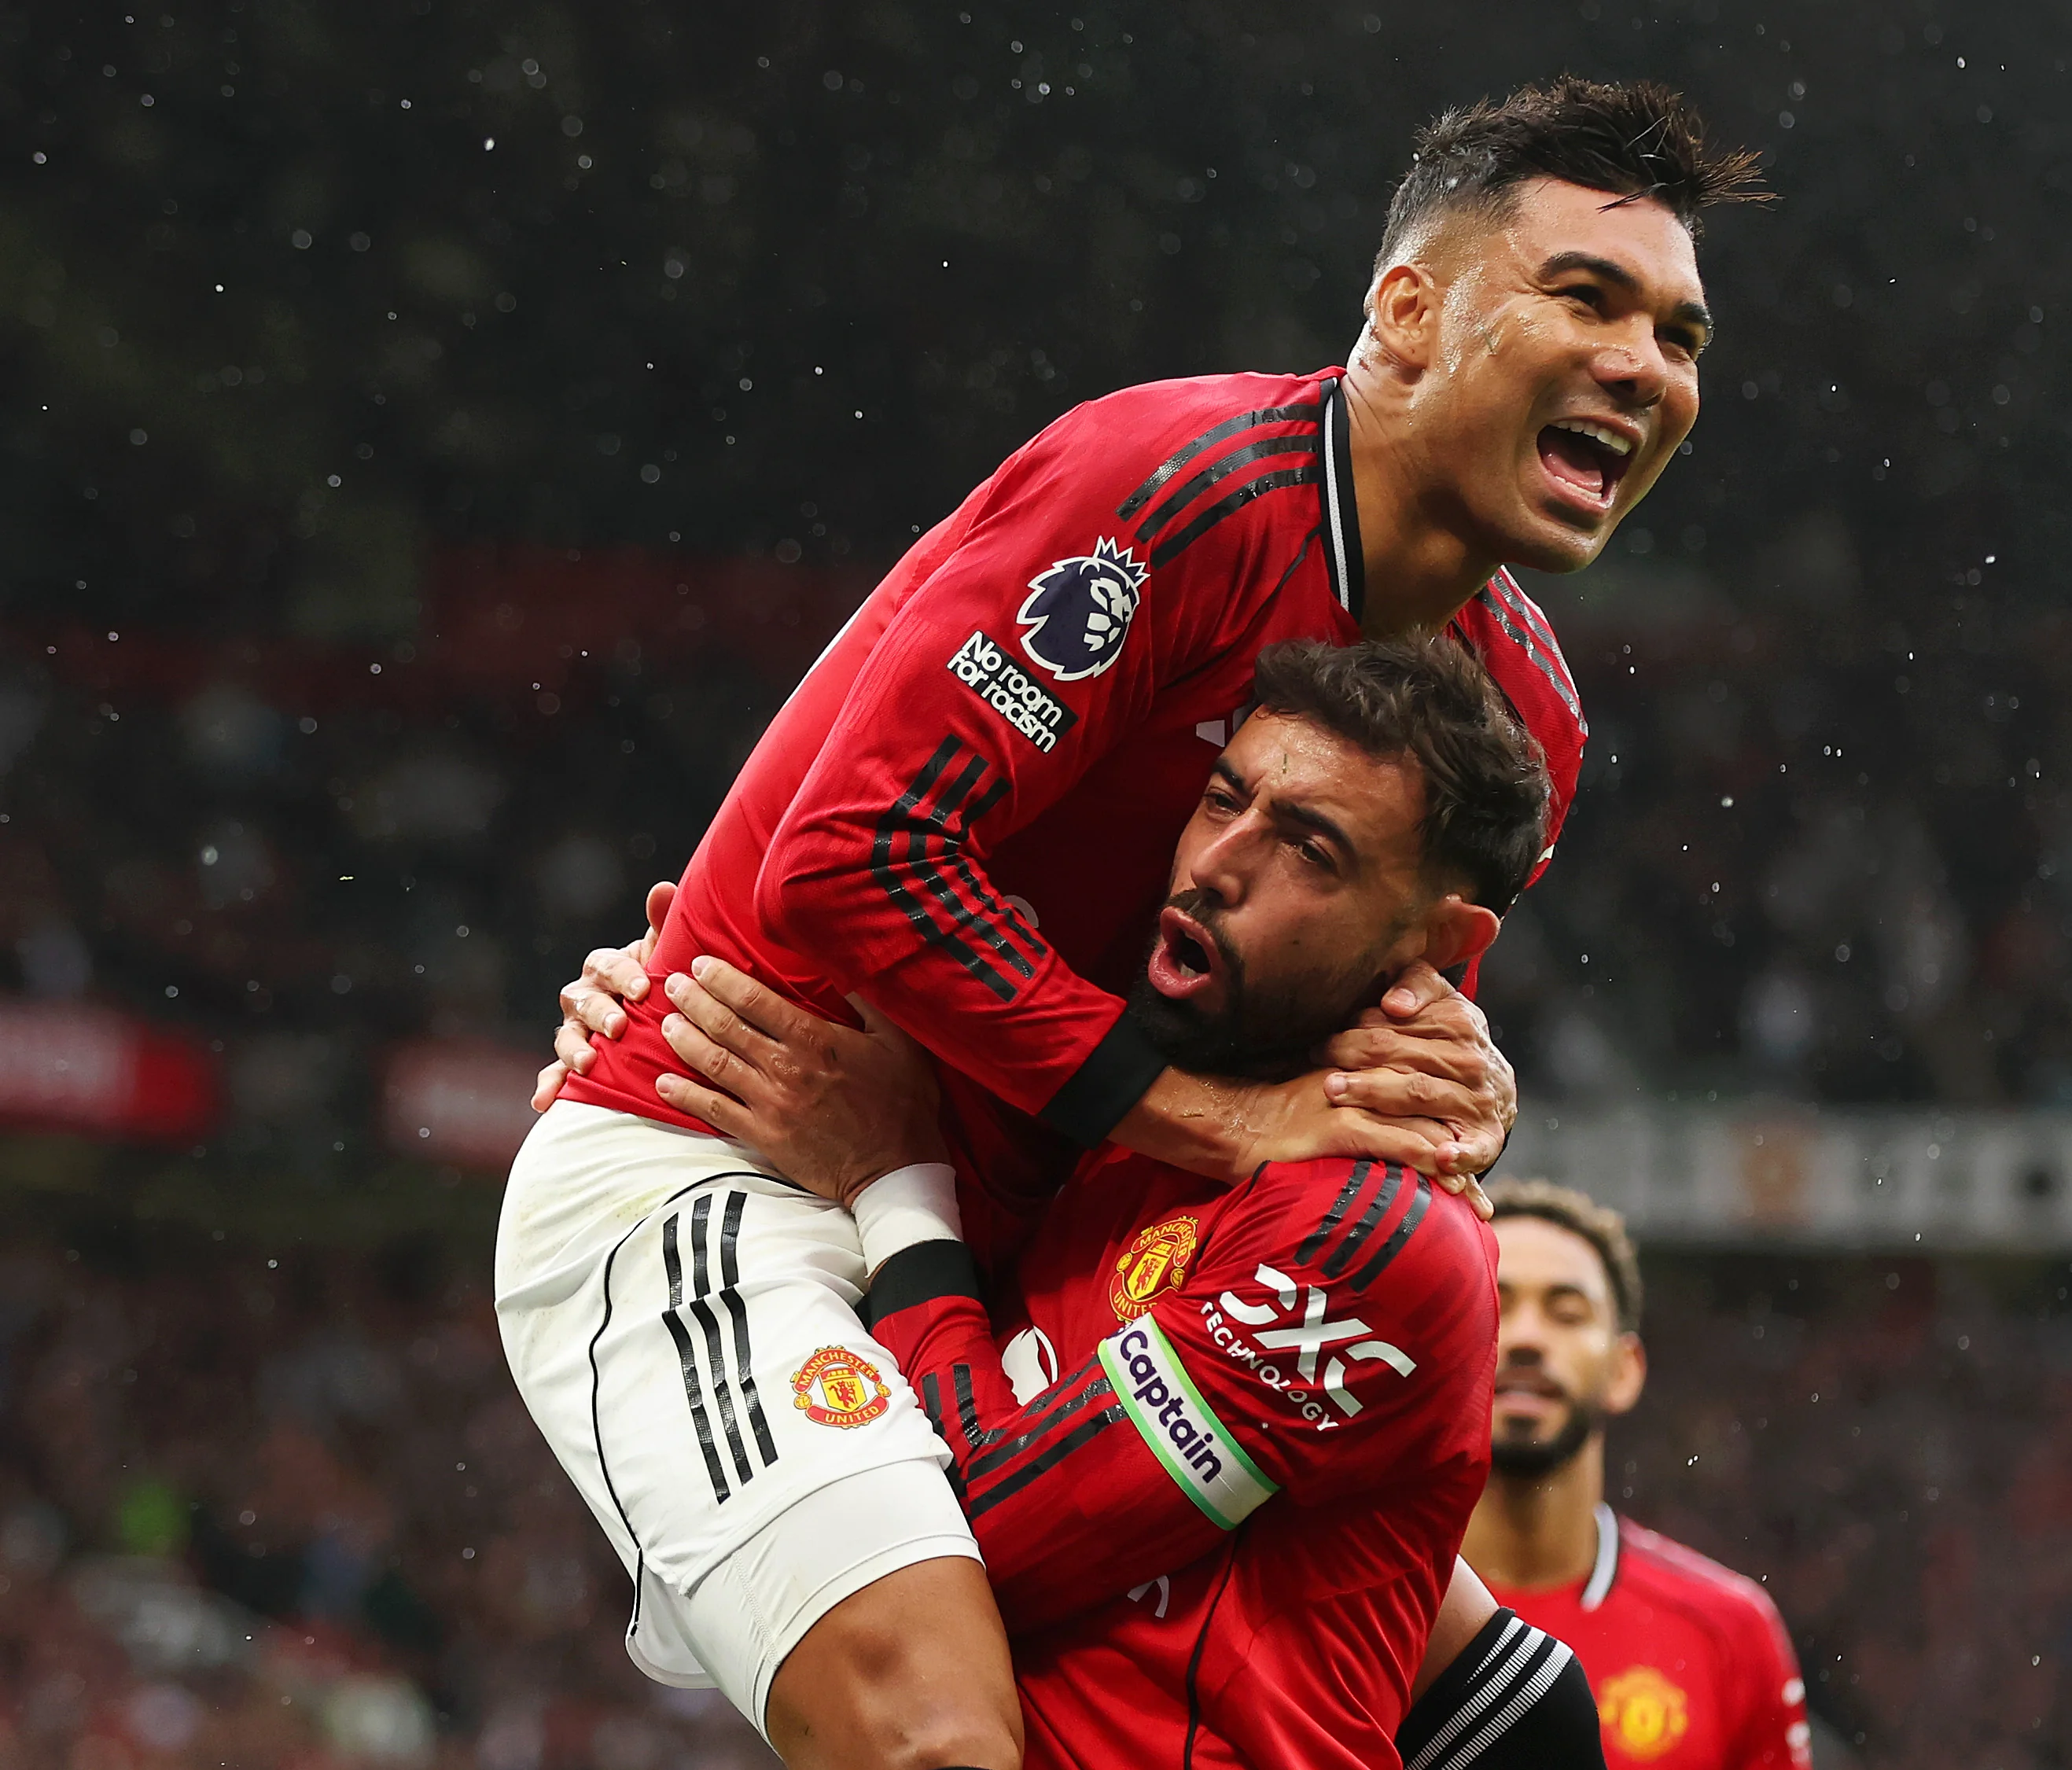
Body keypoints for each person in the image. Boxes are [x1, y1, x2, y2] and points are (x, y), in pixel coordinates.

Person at [500, 79, 1754, 1769]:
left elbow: (1350, 1058)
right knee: (945, 1740)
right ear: (1404, 313)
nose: (1641, 366)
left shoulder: (1524, 719)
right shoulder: (1168, 483)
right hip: (751, 1154)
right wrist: (1209, 1122)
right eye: (1585, 299)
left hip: (1044, 1225)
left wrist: (1453, 1086)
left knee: (1495, 1695)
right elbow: (851, 861)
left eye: (1677, 334)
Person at [642, 638, 1604, 1767]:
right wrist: (660, 1003)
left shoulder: (1373, 1235)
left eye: (1310, 848)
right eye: (1221, 799)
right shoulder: (1137, 1109)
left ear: (1441, 941)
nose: (1214, 864)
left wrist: (893, 1183)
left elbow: (970, 1536)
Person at [1463, 1182, 1812, 1770]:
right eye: (1494, 1304)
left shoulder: (1729, 1630)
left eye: (1567, 1312)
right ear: (1443, 1341)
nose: (1526, 1336)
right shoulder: (1347, 1607)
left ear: (1625, 1370)